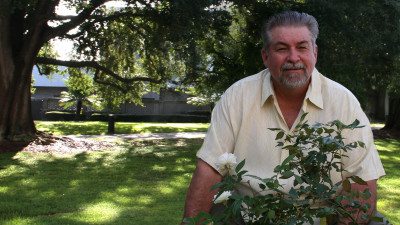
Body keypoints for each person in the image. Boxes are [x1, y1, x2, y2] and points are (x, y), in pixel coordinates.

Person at [182, 11, 386, 225]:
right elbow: (210, 168)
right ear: (265, 56)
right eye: (281, 48)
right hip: (249, 214)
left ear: (314, 53)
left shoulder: (343, 101)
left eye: (302, 47)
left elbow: (361, 180)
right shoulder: (238, 96)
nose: (293, 57)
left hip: (321, 217)